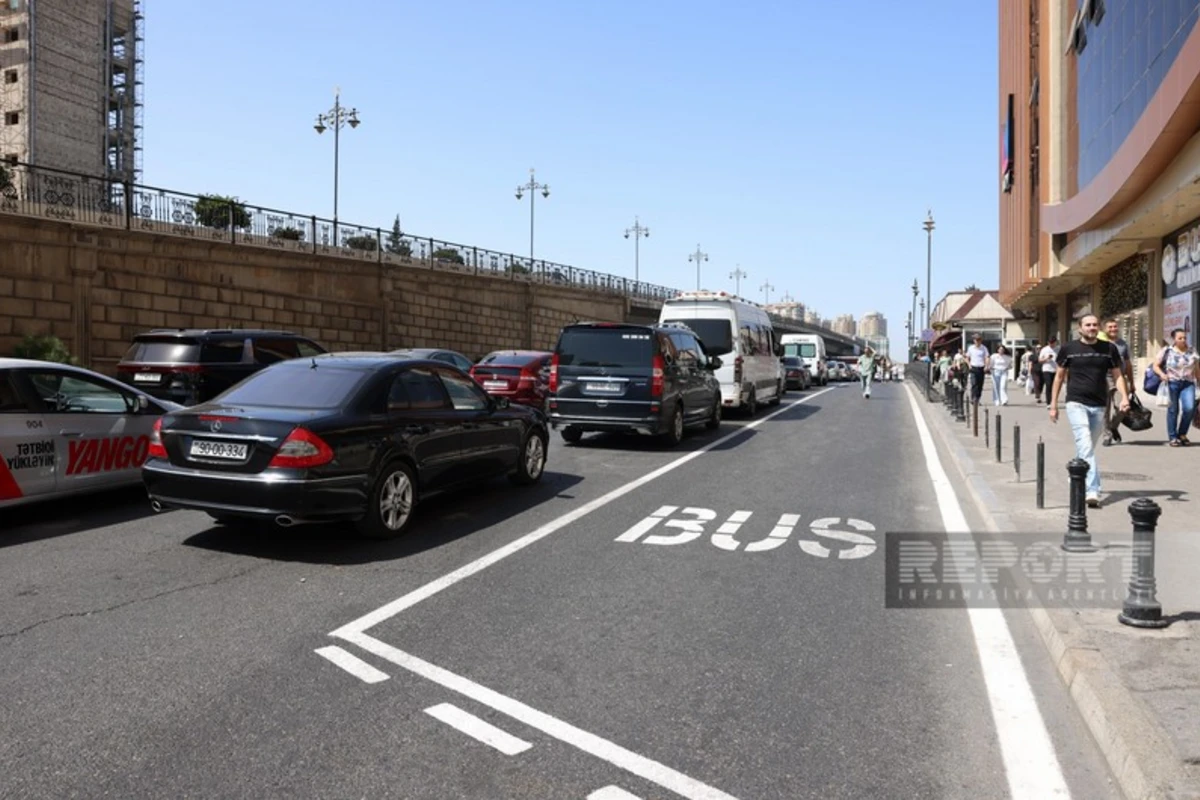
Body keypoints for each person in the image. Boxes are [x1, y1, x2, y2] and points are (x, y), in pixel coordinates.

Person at [1049, 315, 1129, 507]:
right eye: (1088, 325)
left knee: (1087, 447)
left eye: (1095, 325)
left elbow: (1118, 375)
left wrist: (1124, 396)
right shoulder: (1068, 349)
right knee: (1085, 444)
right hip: (1076, 402)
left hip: (1099, 404)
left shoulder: (1109, 349)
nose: (1092, 328)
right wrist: (1053, 405)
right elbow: (1059, 377)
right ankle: (1093, 490)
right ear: (1080, 328)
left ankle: (1076, 472)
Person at [1151, 327, 1200, 446]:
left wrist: (1199, 381)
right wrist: (1162, 374)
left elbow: (1196, 368)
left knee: (1189, 408)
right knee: (1173, 410)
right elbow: (1155, 366)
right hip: (1171, 383)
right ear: (1174, 339)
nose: (1183, 340)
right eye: (1180, 338)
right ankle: (1173, 437)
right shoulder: (1167, 351)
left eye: (1184, 337)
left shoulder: (1192, 351)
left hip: (1188, 383)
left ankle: (1182, 433)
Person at [1101, 318, 1134, 446]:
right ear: (1104, 329)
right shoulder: (1100, 344)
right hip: (1104, 378)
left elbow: (1128, 363)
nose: (1113, 329)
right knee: (1105, 409)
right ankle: (1106, 435)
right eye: (1110, 327)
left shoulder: (1123, 344)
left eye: (1115, 326)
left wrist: (1132, 382)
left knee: (1123, 407)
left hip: (1120, 378)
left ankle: (1113, 426)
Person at [965, 334, 988, 405]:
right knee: (974, 384)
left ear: (981, 340)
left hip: (981, 368)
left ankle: (978, 399)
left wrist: (986, 366)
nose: (977, 341)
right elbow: (966, 357)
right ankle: (973, 398)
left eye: (978, 340)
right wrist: (969, 365)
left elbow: (987, 357)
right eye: (976, 340)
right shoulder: (971, 348)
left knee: (980, 385)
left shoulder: (984, 348)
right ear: (974, 341)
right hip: (973, 368)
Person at [1038, 336, 1059, 407]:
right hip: (1047, 369)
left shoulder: (1058, 349)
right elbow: (1040, 360)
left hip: (1056, 369)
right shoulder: (1044, 349)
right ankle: (1049, 402)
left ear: (1056, 342)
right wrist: (1046, 358)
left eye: (1053, 343)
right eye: (1050, 343)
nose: (1051, 345)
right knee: (1048, 385)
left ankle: (1054, 401)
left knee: (1055, 386)